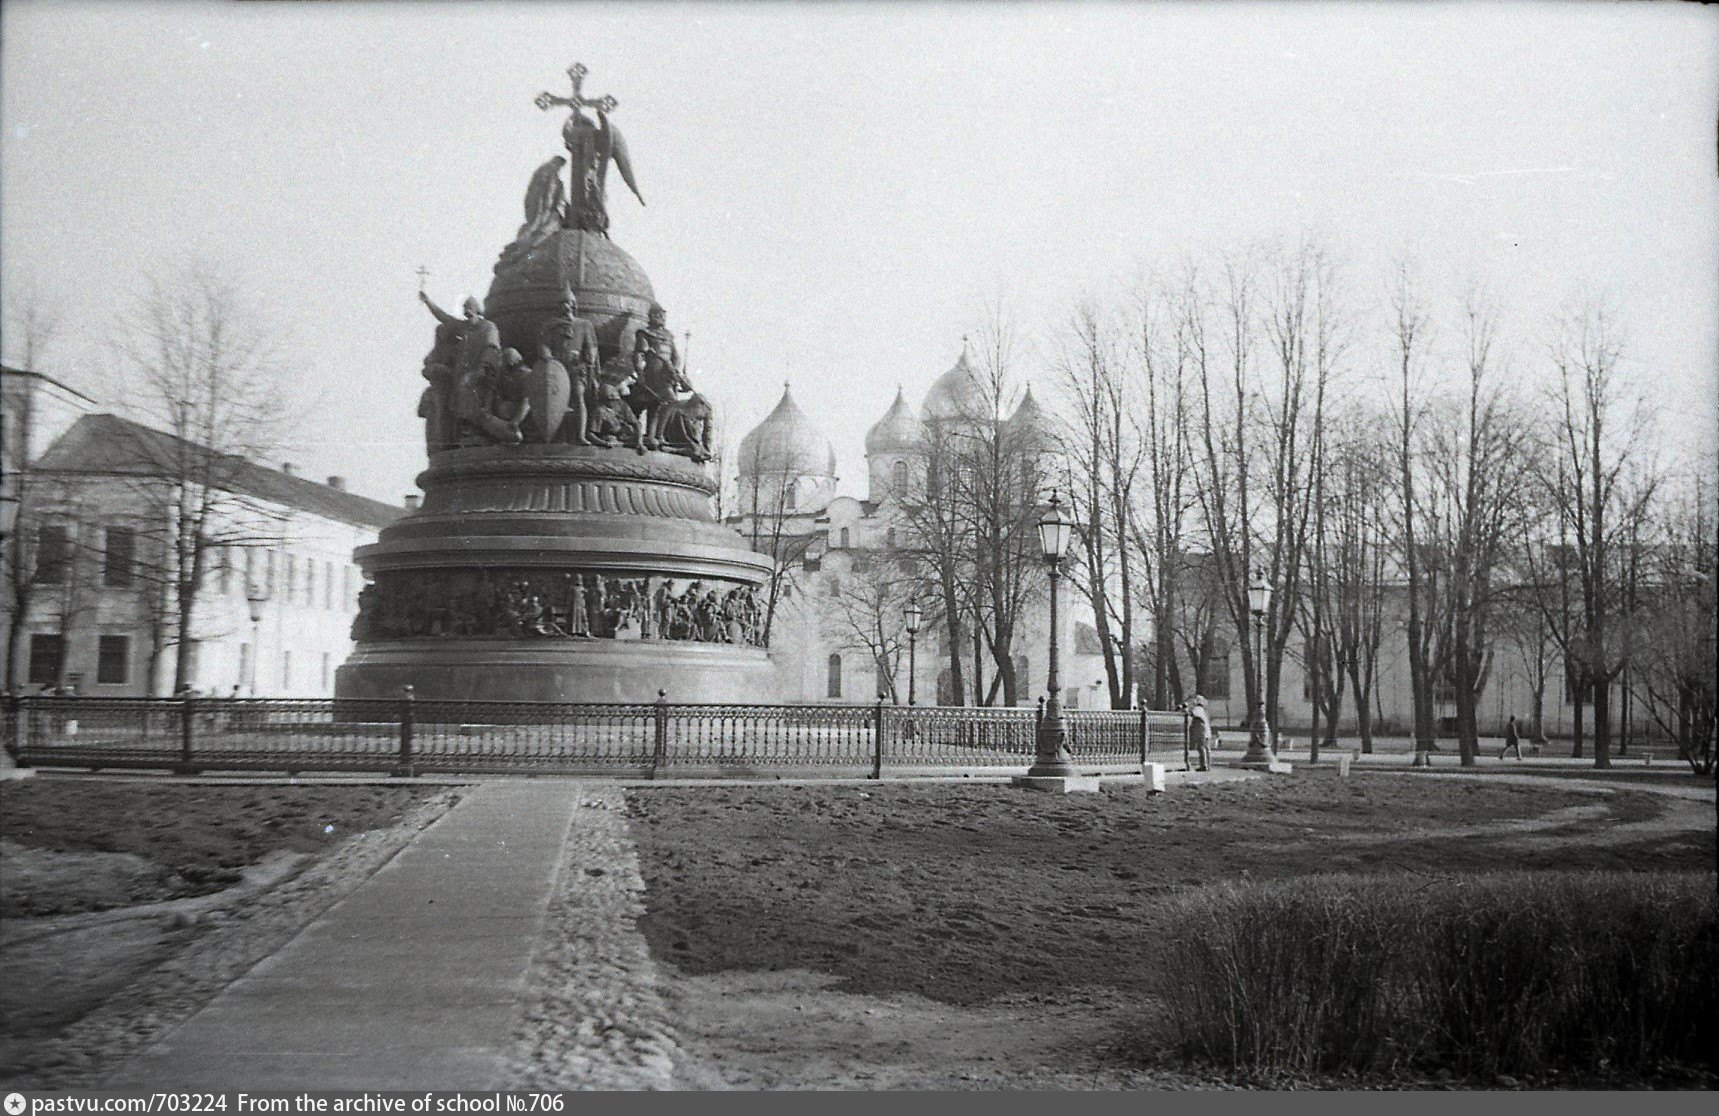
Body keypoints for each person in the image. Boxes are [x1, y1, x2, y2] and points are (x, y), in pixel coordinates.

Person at [1186, 695, 1214, 772]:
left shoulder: (1197, 709)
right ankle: (1208, 765)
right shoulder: (1204, 710)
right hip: (1206, 731)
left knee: (1201, 747)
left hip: (1201, 732)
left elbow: (1192, 714)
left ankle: (1204, 765)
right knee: (1206, 748)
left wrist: (1186, 710)